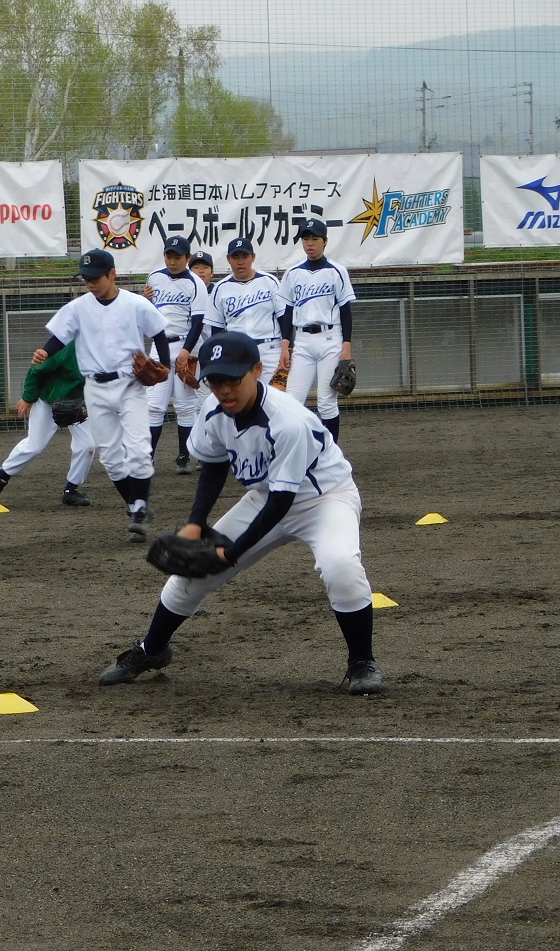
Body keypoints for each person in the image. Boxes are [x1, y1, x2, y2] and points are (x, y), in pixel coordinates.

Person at [97, 331, 384, 695]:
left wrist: (229, 553)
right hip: (265, 496)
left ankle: (362, 661)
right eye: (215, 381)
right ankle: (151, 650)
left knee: (340, 564)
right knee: (192, 574)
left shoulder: (286, 421)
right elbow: (214, 465)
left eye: (232, 379)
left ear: (257, 370)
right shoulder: (215, 409)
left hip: (324, 498)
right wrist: (195, 524)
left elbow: (282, 504)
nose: (224, 390)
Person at [29, 248, 171, 542]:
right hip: (94, 387)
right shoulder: (79, 307)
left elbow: (158, 331)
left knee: (140, 451)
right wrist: (45, 351)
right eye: (86, 278)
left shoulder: (134, 303)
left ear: (112, 274)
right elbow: (60, 337)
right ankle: (135, 507)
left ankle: (141, 508)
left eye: (95, 278)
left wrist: (165, 365)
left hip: (129, 385)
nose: (90, 283)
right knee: (109, 458)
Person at [0, 342, 95, 507]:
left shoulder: (108, 353)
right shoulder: (68, 349)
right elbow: (37, 369)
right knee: (35, 445)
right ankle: (2, 475)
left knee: (87, 446)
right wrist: (28, 397)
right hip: (48, 400)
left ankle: (71, 491)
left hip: (79, 405)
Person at [278, 217, 357, 442]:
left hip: (331, 338)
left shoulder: (337, 271)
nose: (309, 243)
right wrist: (286, 345)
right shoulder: (293, 273)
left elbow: (346, 311)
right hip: (302, 340)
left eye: (314, 238)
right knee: (292, 401)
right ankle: (296, 448)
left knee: (326, 401)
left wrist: (347, 348)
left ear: (325, 242)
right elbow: (286, 312)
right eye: (306, 239)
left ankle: (330, 454)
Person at [143, 235, 208, 475]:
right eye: (169, 256)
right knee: (154, 405)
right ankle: (148, 457)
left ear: (187, 259)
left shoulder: (195, 283)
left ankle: (184, 456)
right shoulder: (155, 277)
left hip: (186, 347)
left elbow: (199, 322)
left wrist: (185, 351)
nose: (172, 261)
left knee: (185, 405)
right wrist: (143, 300)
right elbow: (148, 313)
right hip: (159, 345)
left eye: (178, 257)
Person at [204, 237, 287, 384]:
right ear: (228, 259)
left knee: (273, 399)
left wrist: (287, 349)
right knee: (242, 400)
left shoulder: (270, 282)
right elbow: (216, 330)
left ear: (253, 257)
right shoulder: (221, 288)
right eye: (235, 257)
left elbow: (284, 319)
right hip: (237, 352)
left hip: (270, 349)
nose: (240, 262)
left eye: (245, 256)